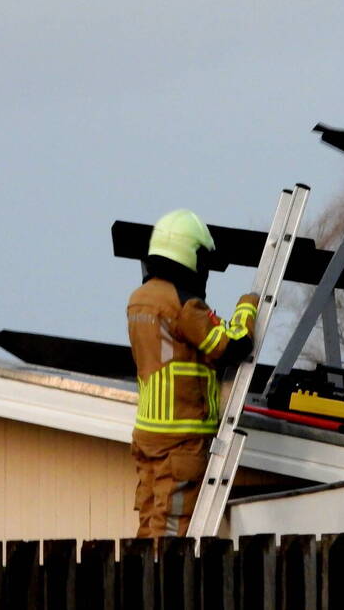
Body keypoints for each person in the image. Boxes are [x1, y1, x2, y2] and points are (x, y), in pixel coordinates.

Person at [127, 209, 259, 538]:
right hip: (182, 438)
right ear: (191, 255)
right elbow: (232, 345)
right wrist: (247, 307)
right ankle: (163, 589)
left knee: (149, 519)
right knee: (172, 528)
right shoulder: (184, 306)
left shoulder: (139, 300)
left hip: (148, 432)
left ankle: (139, 583)